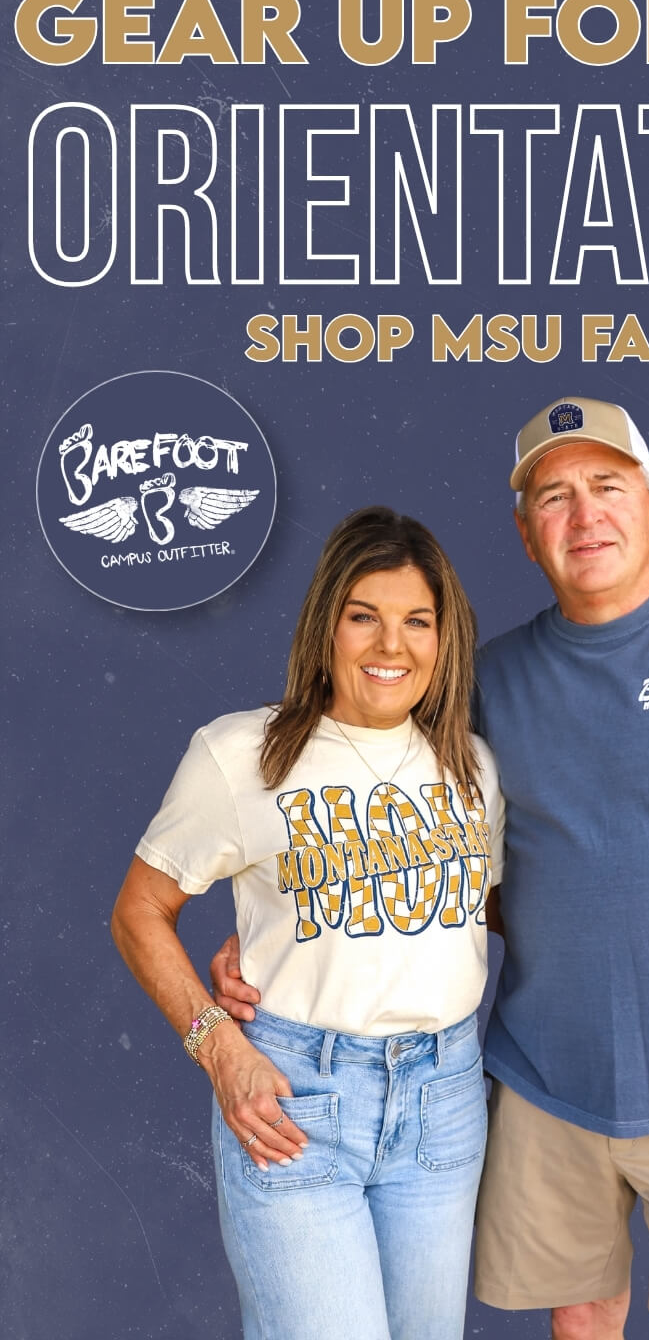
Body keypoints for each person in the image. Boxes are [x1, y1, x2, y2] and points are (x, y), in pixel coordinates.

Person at [213, 398, 649, 1340]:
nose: (584, 514)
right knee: (581, 1321)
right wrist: (284, 920)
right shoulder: (485, 683)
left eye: (607, 486)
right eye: (553, 497)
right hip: (545, 1090)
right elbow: (399, 831)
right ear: (524, 534)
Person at [112, 505, 504, 1340]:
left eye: (416, 622)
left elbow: (478, 913)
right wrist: (218, 1046)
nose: (391, 646)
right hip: (295, 1095)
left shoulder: (471, 767)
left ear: (446, 638)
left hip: (444, 1100)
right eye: (364, 617)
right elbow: (140, 910)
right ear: (326, 624)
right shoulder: (241, 756)